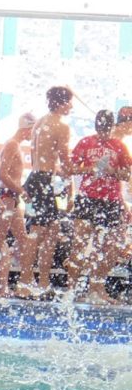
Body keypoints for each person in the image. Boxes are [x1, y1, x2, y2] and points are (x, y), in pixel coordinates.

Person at [68, 109, 130, 303]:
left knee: (110, 246)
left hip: (111, 201)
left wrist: (112, 171)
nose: (103, 133)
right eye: (100, 129)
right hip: (87, 199)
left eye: (106, 129)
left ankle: (97, 288)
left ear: (111, 127)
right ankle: (72, 290)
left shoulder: (118, 145)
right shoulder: (85, 142)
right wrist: (91, 168)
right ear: (96, 126)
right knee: (79, 244)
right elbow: (69, 168)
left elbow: (127, 174)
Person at [21, 86, 74, 298]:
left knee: (48, 232)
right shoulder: (61, 126)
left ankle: (41, 282)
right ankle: (26, 282)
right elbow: (66, 163)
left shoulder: (40, 122)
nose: (71, 106)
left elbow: (43, 158)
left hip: (36, 178)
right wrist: (88, 168)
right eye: (69, 102)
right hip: (43, 181)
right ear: (62, 103)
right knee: (38, 233)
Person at [0, 112, 35, 298]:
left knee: (23, 241)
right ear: (27, 129)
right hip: (8, 197)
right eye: (33, 130)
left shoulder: (15, 145)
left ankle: (25, 283)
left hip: (12, 198)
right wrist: (22, 191)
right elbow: (2, 175)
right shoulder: (12, 144)